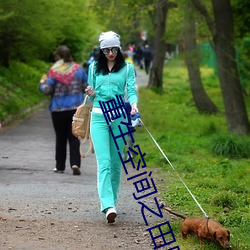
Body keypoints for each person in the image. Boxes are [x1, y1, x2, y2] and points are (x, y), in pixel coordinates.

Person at [85, 31, 138, 223]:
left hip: (119, 118)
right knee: (104, 162)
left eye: (114, 49)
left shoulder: (127, 68)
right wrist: (90, 92)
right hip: (99, 117)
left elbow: (131, 90)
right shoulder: (93, 68)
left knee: (116, 163)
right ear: (101, 50)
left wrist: (133, 104)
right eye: (106, 50)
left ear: (119, 48)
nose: (110, 53)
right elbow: (91, 97)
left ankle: (113, 201)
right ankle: (107, 205)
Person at [39, 45, 88, 175]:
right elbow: (86, 87)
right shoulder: (79, 70)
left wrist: (42, 83)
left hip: (58, 109)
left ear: (58, 57)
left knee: (60, 138)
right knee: (74, 137)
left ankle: (60, 166)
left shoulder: (54, 71)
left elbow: (47, 90)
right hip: (75, 109)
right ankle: (75, 163)